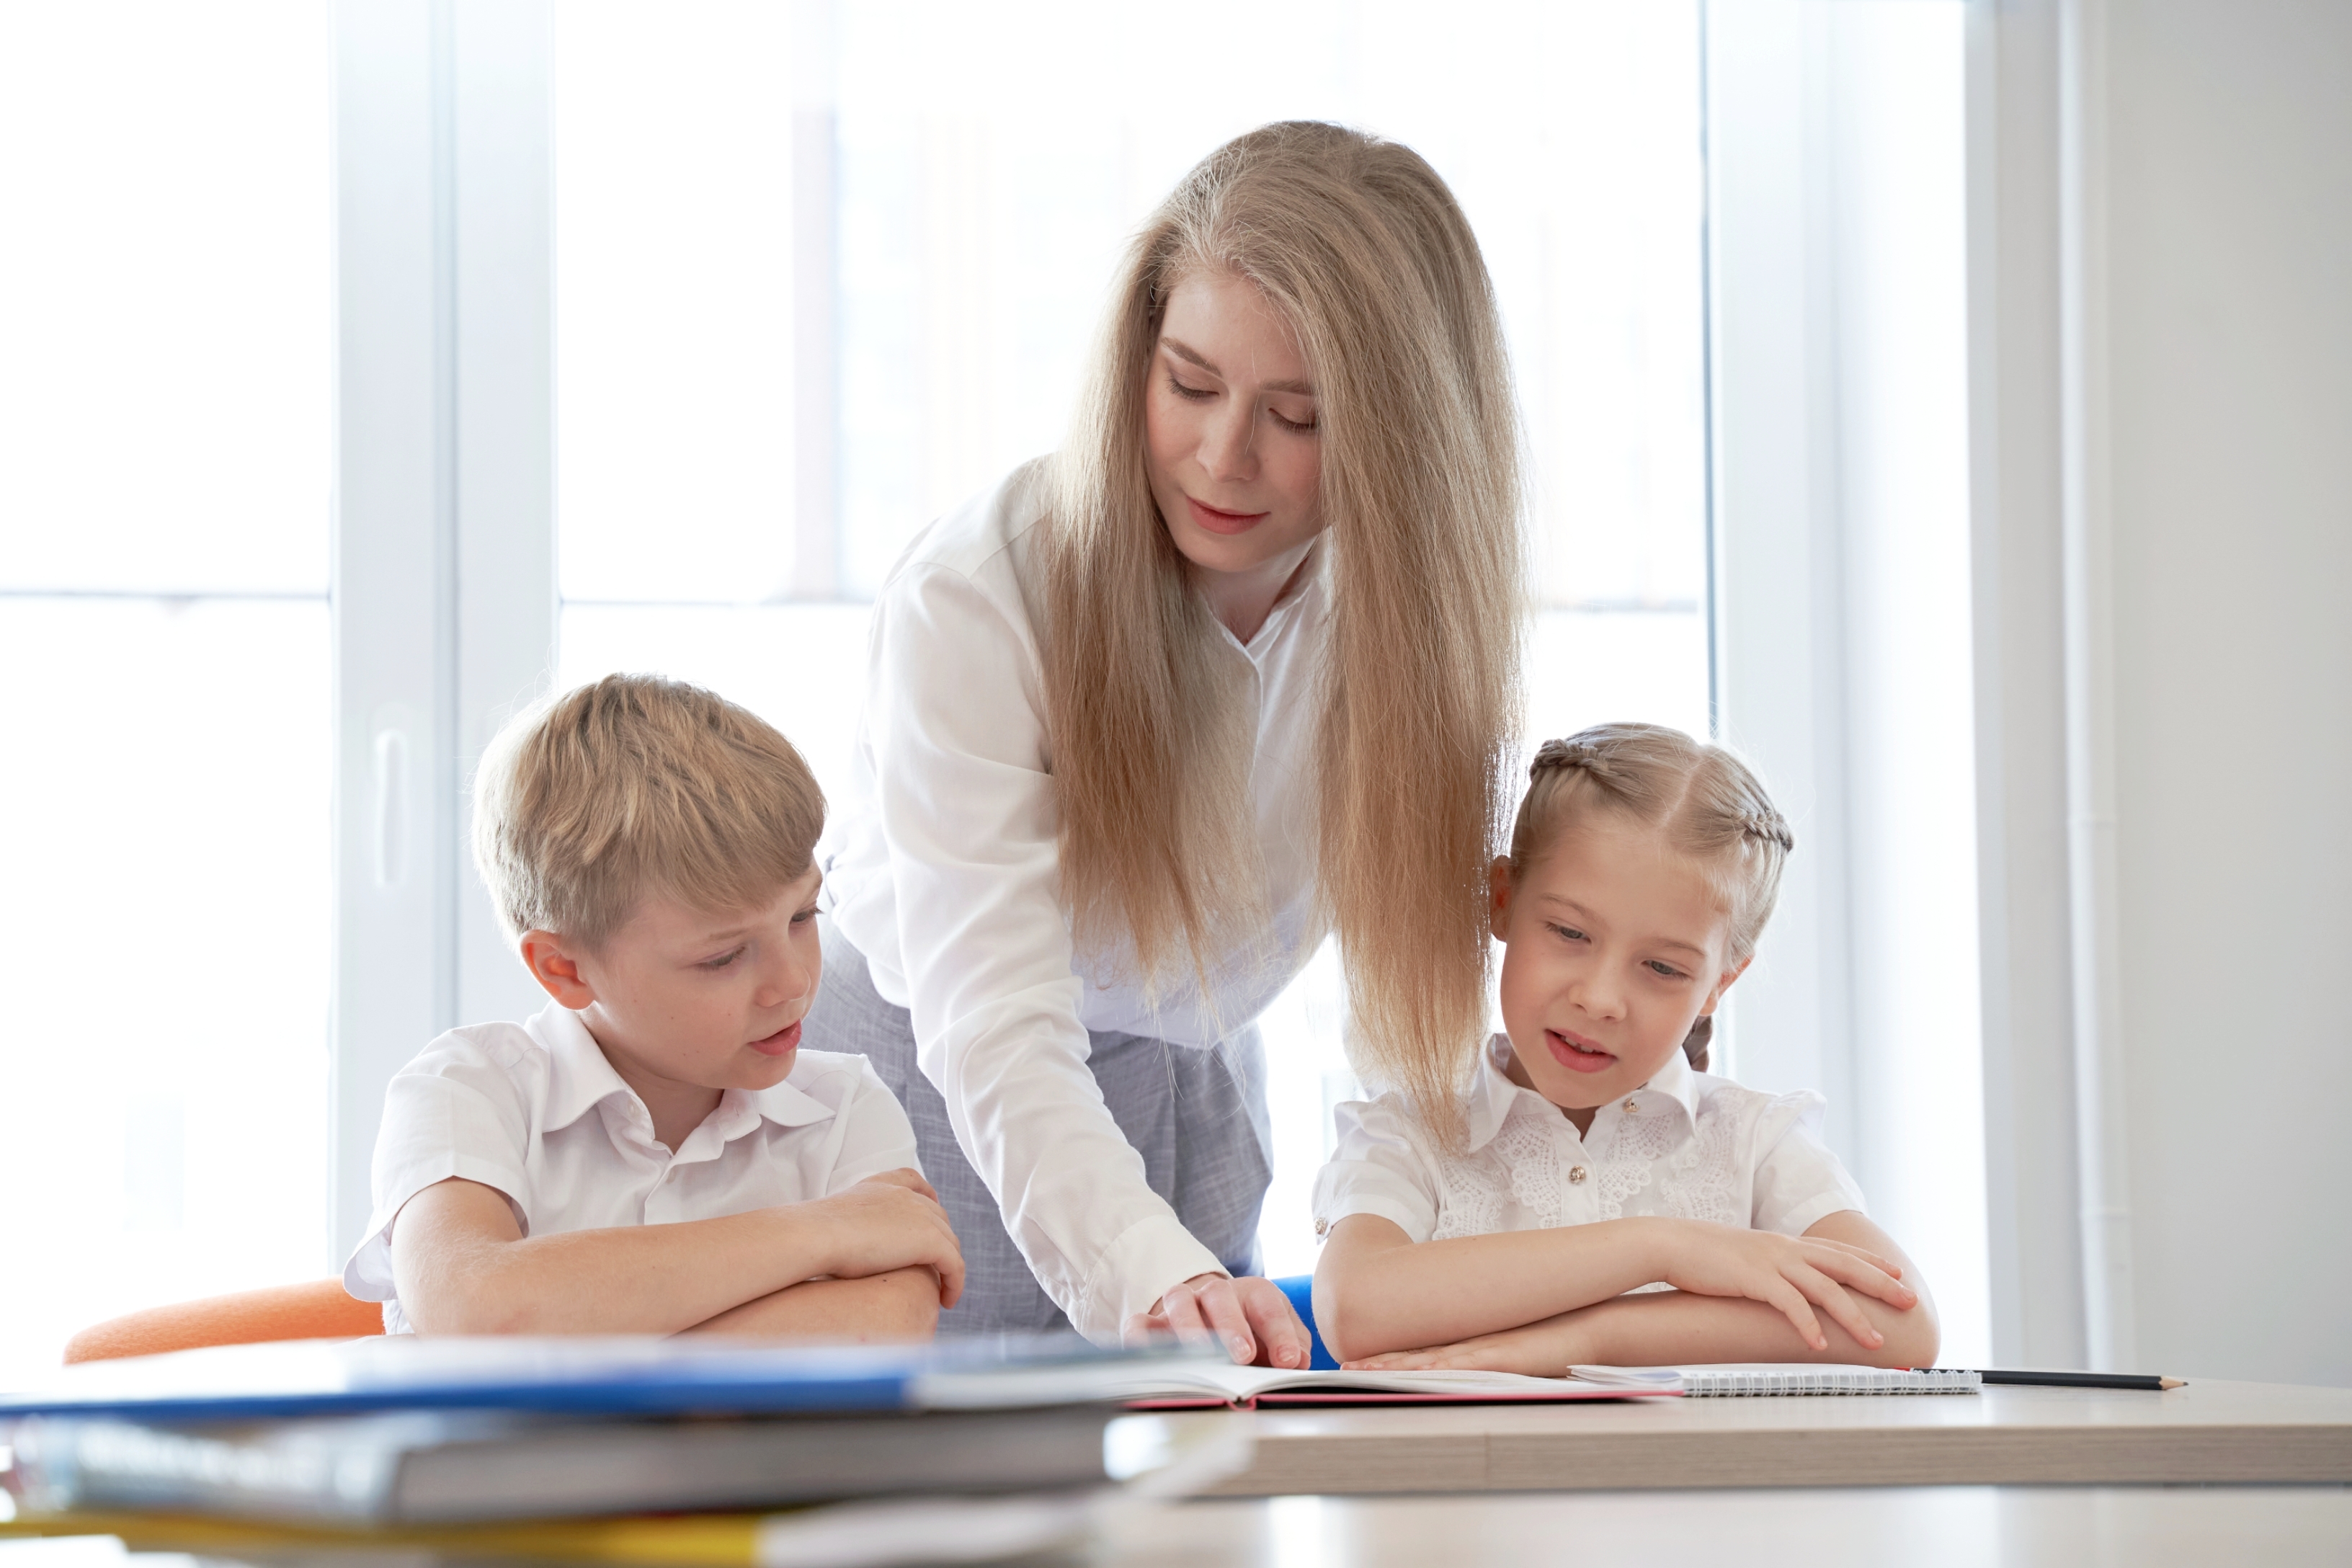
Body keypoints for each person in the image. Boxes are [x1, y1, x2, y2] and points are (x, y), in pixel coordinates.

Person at [808, 121, 1524, 1363]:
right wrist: (1149, 1269)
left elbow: (1406, 1013)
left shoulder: (1410, 615)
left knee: (1207, 1448)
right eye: (1189, 385)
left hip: (1202, 1072)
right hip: (926, 1078)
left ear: (1402, 435)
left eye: (1297, 416)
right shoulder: (983, 592)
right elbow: (993, 1020)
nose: (1221, 458)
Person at [342, 674, 963, 1337]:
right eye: (723, 957)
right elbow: (479, 1309)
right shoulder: (466, 1090)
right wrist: (824, 1231)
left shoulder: (845, 1107)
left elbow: (887, 1322)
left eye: (804, 915)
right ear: (564, 969)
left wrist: (573, 1334)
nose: (792, 983)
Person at [1309, 723, 1939, 1372]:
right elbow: (1354, 1311)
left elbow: (1904, 1322)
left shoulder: (1756, 1142)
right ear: (1502, 900)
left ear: (1719, 984)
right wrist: (1660, 1249)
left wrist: (1590, 1338)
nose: (1601, 999)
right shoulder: (1409, 1135)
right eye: (1569, 932)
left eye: (1663, 968)